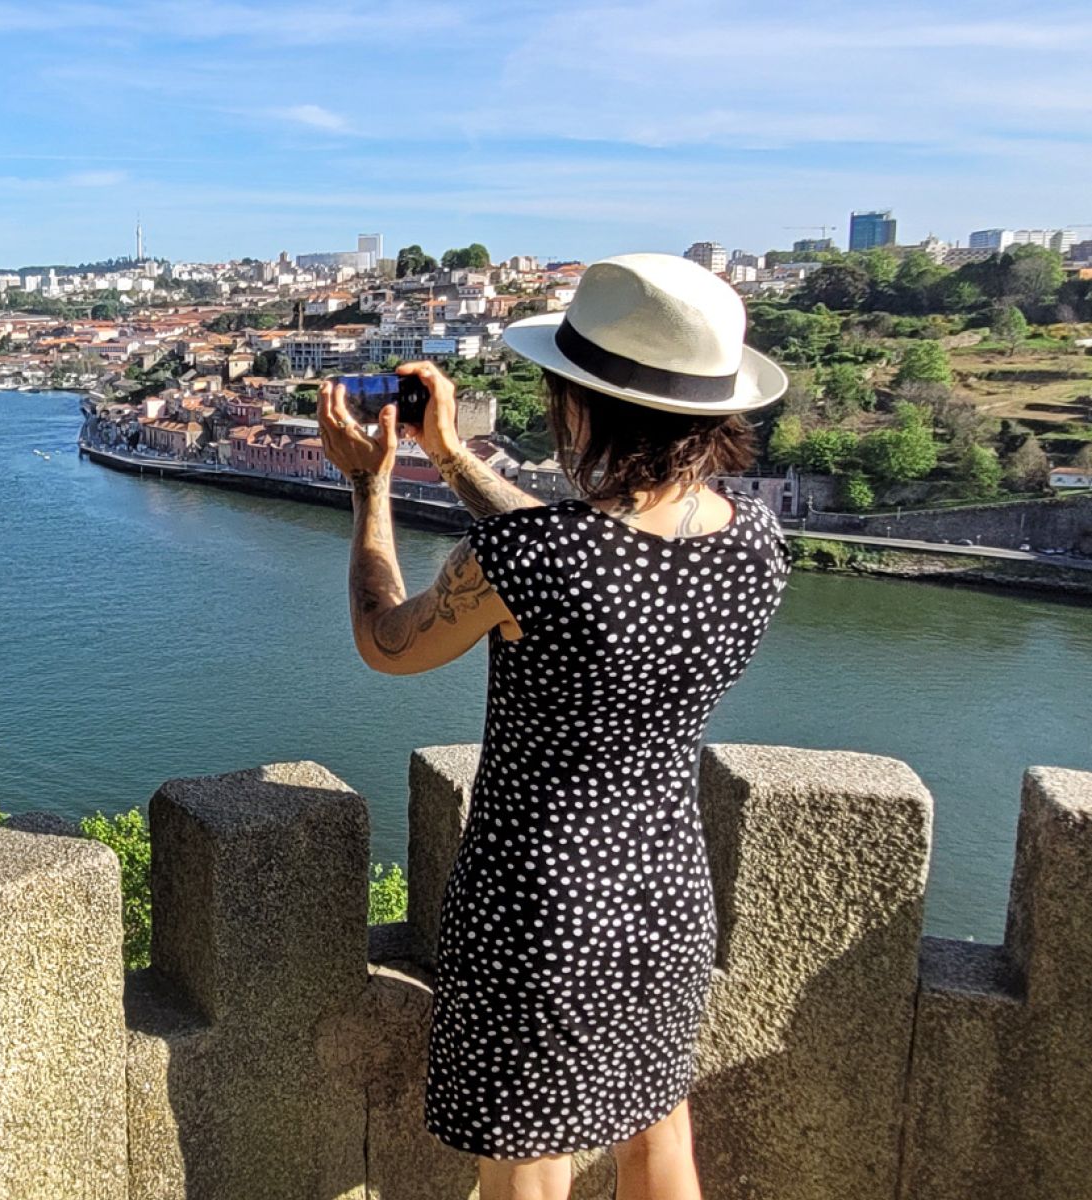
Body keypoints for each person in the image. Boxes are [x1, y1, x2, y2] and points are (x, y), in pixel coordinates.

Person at [316, 253, 793, 1200]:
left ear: (581, 407)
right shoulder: (757, 538)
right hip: (663, 894)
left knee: (527, 1170)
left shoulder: (532, 560)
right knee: (660, 1141)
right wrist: (450, 456)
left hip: (542, 909)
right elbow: (594, 551)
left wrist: (372, 489)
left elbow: (385, 641)